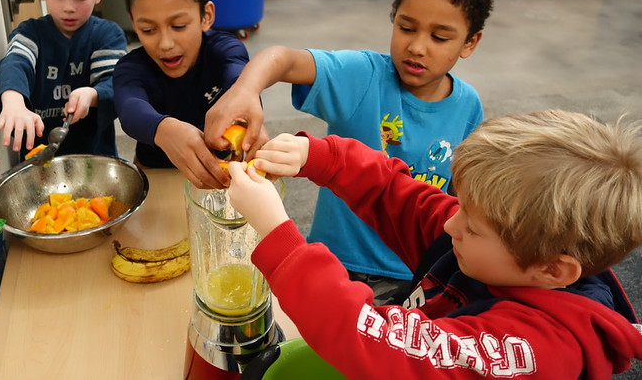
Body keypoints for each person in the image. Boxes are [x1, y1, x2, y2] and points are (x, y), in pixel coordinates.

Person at [226, 110, 642, 379]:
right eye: (462, 206)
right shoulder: (479, 240)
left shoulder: (536, 350)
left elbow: (377, 342)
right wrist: (318, 156)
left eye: (474, 227)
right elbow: (394, 192)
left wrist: (276, 232)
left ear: (553, 269)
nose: (451, 222)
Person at [205, 0, 497, 301]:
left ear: (470, 42)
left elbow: (462, 198)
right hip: (336, 266)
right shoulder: (363, 77)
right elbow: (280, 59)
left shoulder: (469, 106)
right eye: (406, 28)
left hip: (416, 273)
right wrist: (245, 91)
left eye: (439, 37)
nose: (417, 47)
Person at [113, 0, 254, 189]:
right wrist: (164, 130)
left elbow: (240, 79)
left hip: (220, 172)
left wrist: (244, 101)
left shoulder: (224, 50)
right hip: (154, 175)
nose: (165, 44)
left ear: (206, 16)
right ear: (133, 22)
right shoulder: (131, 69)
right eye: (148, 30)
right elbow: (130, 108)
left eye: (178, 26)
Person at [0, 0, 127, 157]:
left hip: (95, 158)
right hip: (40, 164)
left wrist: (91, 94)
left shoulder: (106, 35)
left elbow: (115, 83)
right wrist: (13, 101)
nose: (69, 7)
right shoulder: (30, 33)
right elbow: (15, 63)